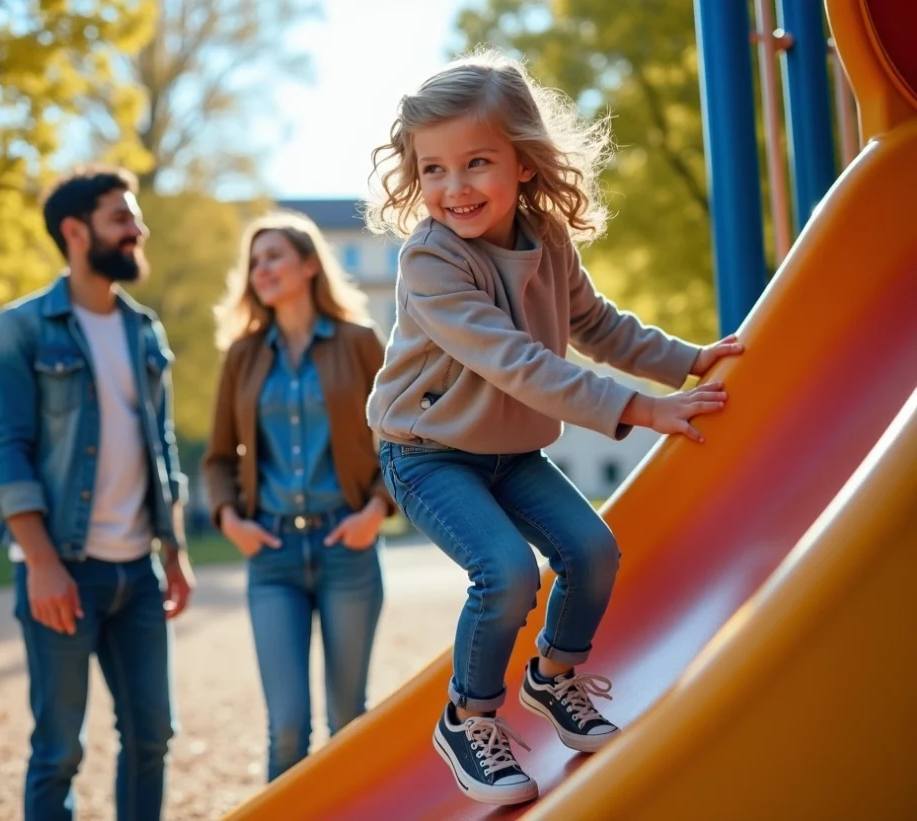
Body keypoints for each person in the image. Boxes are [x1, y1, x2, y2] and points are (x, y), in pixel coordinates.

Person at [364, 49, 744, 806]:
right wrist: (636, 409)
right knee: (505, 570)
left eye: (476, 162)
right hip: (428, 452)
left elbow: (598, 324)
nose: (454, 187)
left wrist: (690, 360)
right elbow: (515, 363)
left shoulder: (547, 242)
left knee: (593, 550)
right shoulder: (429, 262)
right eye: (432, 169)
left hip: (507, 450)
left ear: (525, 164)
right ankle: (468, 718)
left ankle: (553, 676)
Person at [0, 165, 195, 821]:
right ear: (76, 232)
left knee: (152, 737)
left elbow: (161, 447)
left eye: (134, 217)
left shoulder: (144, 329)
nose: (139, 229)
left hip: (138, 568)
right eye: (121, 218)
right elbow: (5, 448)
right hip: (62, 569)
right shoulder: (22, 328)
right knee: (58, 749)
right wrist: (42, 561)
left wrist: (175, 548)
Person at [202, 211, 394, 781]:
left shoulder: (360, 343)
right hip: (273, 557)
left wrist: (376, 510)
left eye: (274, 257)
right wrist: (230, 519)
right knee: (286, 726)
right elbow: (217, 457)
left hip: (348, 548)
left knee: (347, 720)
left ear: (309, 264)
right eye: (254, 262)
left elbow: (408, 438)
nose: (261, 269)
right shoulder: (242, 356)